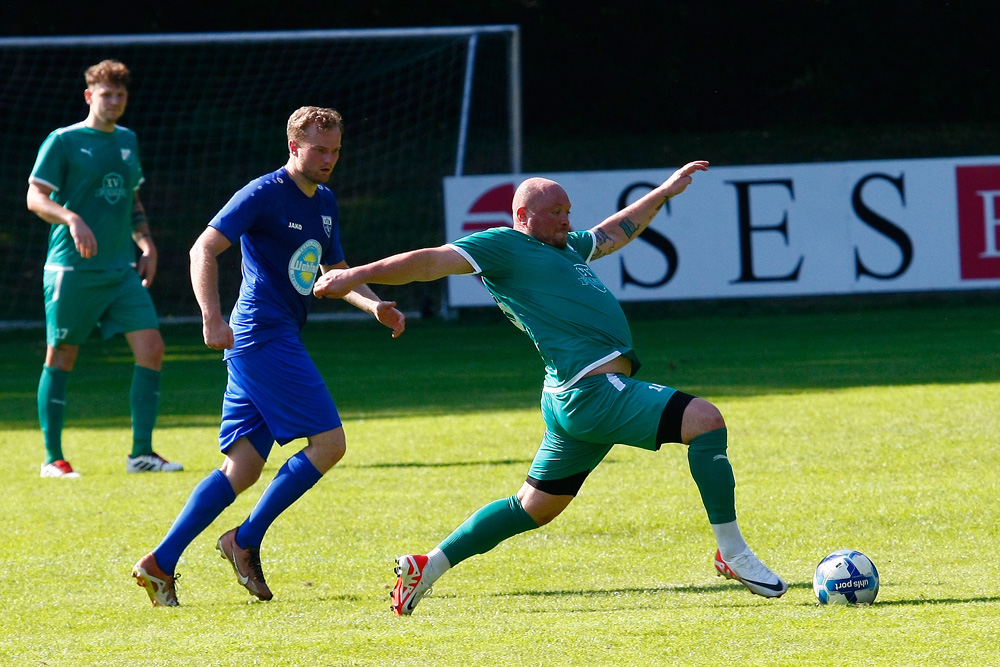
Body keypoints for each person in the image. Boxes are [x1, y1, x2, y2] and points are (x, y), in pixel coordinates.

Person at [313, 160, 788, 615]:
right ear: (523, 216)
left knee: (532, 508)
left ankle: (427, 565)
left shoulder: (565, 248)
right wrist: (358, 275)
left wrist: (662, 193)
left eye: (567, 211)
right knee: (706, 421)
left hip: (570, 398)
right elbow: (429, 262)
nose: (566, 220)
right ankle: (732, 551)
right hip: (592, 390)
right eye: (555, 212)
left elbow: (613, 231)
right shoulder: (503, 245)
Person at [131, 106, 405, 607]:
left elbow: (337, 268)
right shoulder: (262, 193)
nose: (328, 159)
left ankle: (159, 563)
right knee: (329, 443)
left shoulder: (325, 201)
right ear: (293, 147)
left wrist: (373, 305)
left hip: (273, 337)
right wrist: (212, 317)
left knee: (243, 468)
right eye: (319, 149)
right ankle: (244, 540)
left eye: (336, 150)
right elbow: (202, 250)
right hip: (260, 335)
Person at [26, 59, 181, 477]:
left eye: (121, 94)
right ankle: (52, 459)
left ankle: (141, 454)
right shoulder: (64, 140)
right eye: (106, 93)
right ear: (89, 96)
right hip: (72, 270)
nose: (114, 101)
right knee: (61, 356)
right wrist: (72, 219)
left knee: (152, 349)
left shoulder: (128, 140)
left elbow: (131, 199)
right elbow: (36, 197)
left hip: (121, 271)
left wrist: (145, 242)